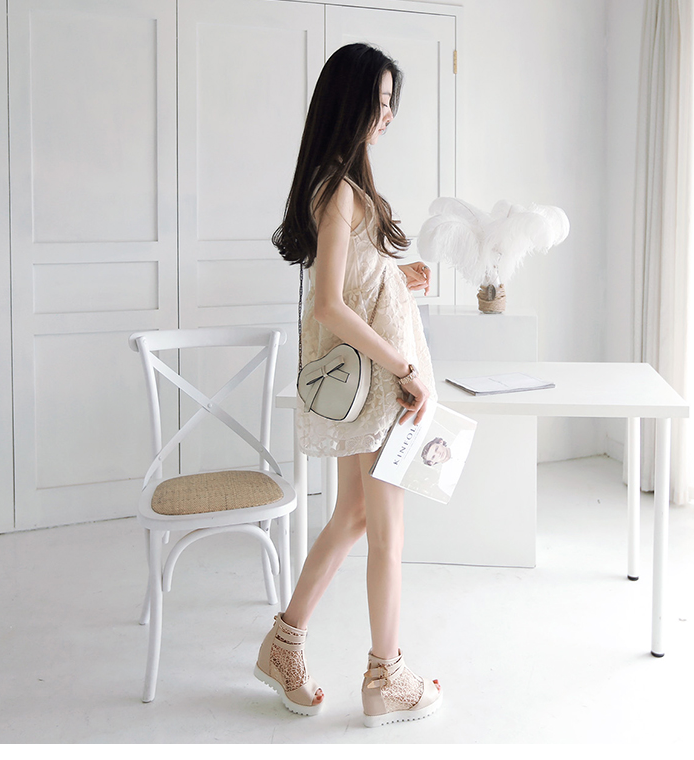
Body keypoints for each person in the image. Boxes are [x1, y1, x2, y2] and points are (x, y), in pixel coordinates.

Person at [254, 42, 442, 728]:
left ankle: (284, 645)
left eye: (392, 104)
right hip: (378, 387)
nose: (387, 115)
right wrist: (404, 368)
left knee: (356, 516)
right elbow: (329, 305)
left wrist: (396, 275)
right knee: (386, 531)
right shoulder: (337, 188)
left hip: (368, 388)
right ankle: (386, 677)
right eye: (380, 102)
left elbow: (354, 284)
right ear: (351, 102)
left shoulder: (344, 184)